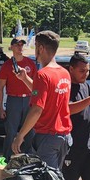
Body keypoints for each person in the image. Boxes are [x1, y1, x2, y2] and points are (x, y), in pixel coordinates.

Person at [11, 31, 71, 169]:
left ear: (41, 48)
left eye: (36, 46)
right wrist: (25, 78)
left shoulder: (42, 74)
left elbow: (37, 109)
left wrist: (20, 136)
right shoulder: (64, 73)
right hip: (64, 137)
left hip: (48, 137)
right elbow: (45, 95)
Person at [0, 36, 38, 158]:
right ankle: (8, 159)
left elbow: (36, 85)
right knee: (11, 131)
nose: (20, 47)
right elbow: (0, 88)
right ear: (12, 47)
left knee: (30, 131)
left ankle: (27, 158)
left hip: (29, 99)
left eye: (21, 45)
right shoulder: (7, 66)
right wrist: (1, 108)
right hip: (13, 100)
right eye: (17, 45)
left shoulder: (30, 63)